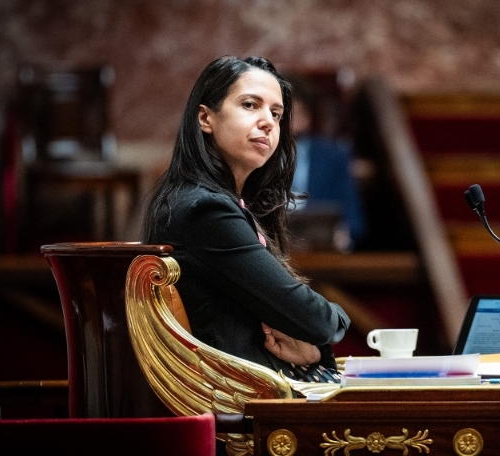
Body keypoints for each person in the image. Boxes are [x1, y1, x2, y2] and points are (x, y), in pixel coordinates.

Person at [142, 56, 350, 384]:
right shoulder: (206, 211)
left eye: (277, 113)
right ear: (205, 118)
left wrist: (313, 349)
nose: (268, 121)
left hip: (250, 388)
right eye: (251, 105)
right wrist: (337, 321)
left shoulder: (207, 198)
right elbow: (317, 320)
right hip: (235, 408)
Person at [288, 77, 367, 250]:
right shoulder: (259, 154)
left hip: (320, 249)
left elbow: (354, 220)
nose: (292, 121)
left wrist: (343, 235)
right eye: (286, 113)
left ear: (309, 115)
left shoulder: (333, 156)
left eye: (299, 112)